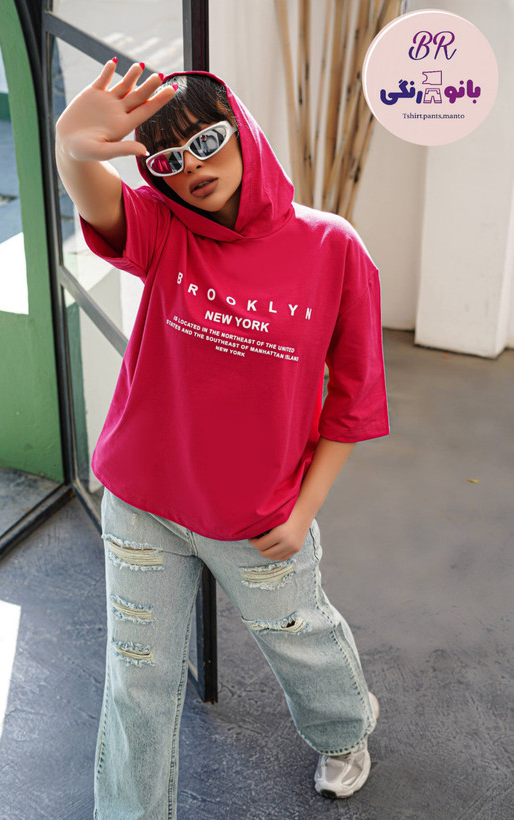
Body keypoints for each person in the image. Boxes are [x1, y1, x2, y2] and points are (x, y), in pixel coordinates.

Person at [55, 58, 389, 820]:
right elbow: (100, 200)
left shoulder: (330, 247)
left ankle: (345, 731)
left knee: (300, 641)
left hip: (258, 515)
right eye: (166, 160)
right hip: (142, 500)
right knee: (136, 679)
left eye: (205, 142)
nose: (191, 168)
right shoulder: (165, 230)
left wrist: (302, 512)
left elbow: (354, 399)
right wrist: (71, 149)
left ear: (241, 130)